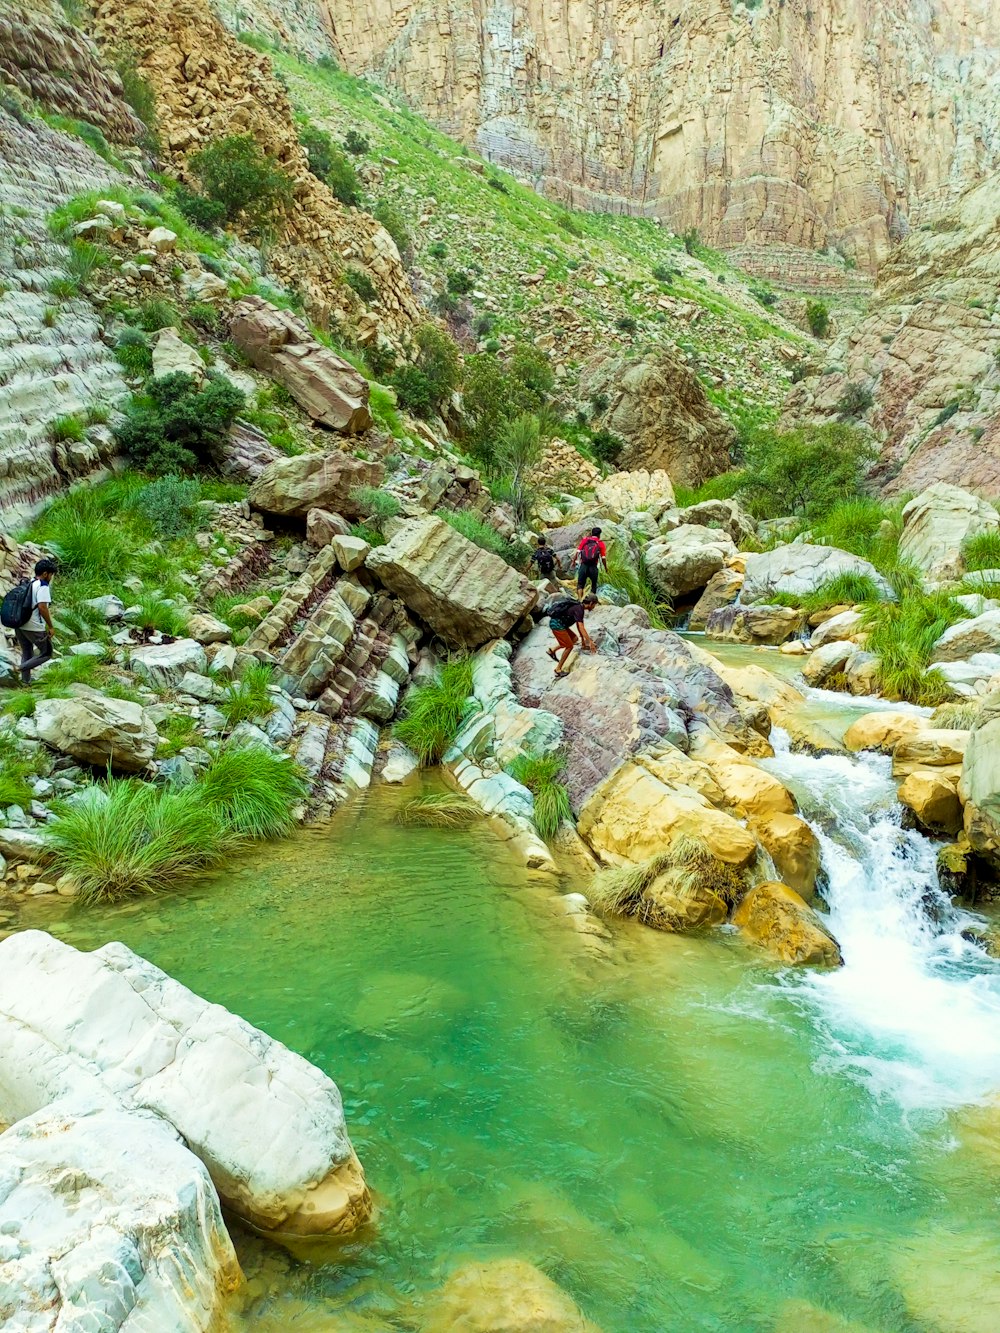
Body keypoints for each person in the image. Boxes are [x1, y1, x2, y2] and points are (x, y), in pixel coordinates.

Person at [15, 558, 56, 685]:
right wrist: (50, 626)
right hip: (33, 626)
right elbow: (42, 607)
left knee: (27, 651)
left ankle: (25, 681)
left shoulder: (30, 582)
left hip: (20, 624)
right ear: (45, 574)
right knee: (47, 653)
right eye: (51, 574)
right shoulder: (43, 586)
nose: (51, 577)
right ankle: (18, 669)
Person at [546, 593, 598, 677]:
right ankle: (558, 669)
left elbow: (579, 626)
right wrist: (590, 642)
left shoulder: (579, 608)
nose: (594, 607)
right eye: (594, 605)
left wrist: (583, 642)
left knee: (574, 639)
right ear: (591, 603)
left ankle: (552, 650)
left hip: (561, 624)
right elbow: (581, 627)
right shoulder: (579, 609)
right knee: (569, 646)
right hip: (557, 625)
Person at [573, 527, 608, 595]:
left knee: (580, 584)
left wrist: (573, 561)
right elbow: (603, 558)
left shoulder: (585, 540)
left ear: (592, 533)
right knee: (594, 585)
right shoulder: (600, 543)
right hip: (593, 566)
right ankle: (591, 601)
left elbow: (578, 552)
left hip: (584, 565)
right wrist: (606, 568)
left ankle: (580, 600)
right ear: (599, 535)